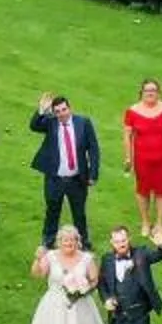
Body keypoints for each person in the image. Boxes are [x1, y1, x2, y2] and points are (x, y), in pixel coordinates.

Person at [30, 95, 100, 242]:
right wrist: (41, 110)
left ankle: (83, 242)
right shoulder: (51, 123)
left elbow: (93, 148)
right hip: (55, 179)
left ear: (70, 108)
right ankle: (48, 241)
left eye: (64, 109)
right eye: (58, 111)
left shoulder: (83, 123)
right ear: (54, 112)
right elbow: (34, 126)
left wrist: (93, 173)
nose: (62, 114)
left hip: (77, 179)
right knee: (52, 212)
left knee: (79, 213)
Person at [120, 80, 162, 243]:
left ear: (159, 92)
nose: (150, 93)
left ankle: (159, 223)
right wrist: (128, 157)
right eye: (147, 90)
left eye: (153, 90)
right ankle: (146, 222)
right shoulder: (132, 111)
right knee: (143, 190)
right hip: (142, 159)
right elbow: (127, 135)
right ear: (141, 93)